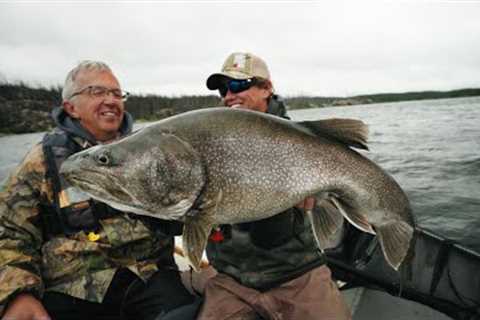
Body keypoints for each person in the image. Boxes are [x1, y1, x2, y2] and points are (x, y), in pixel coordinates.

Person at [0, 61, 199, 320]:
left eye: (117, 94)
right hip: (73, 287)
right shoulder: (40, 162)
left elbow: (182, 210)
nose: (110, 100)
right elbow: (9, 232)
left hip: (150, 275)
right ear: (70, 107)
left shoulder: (154, 150)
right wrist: (19, 294)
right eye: (97, 92)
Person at [197, 52, 352, 320]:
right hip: (231, 280)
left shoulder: (302, 143)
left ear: (267, 88)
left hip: (298, 273)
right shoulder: (210, 144)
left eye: (238, 85)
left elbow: (274, 236)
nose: (229, 95)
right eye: (223, 89)